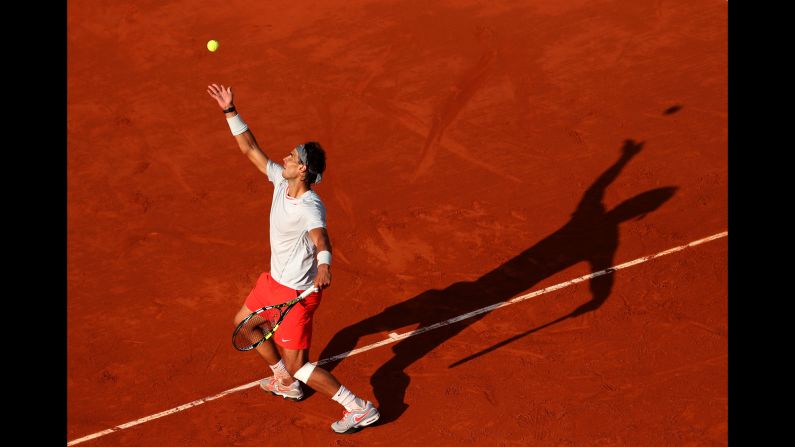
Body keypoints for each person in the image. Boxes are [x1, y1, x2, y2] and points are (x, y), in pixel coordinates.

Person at [207, 83, 380, 434]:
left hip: (296, 296)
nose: (284, 159)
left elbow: (320, 236)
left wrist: (325, 263)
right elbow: (250, 148)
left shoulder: (310, 205)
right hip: (272, 282)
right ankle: (282, 381)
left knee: (301, 366)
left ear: (302, 170)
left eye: (291, 157)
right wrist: (230, 111)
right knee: (245, 325)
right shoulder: (278, 181)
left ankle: (357, 407)